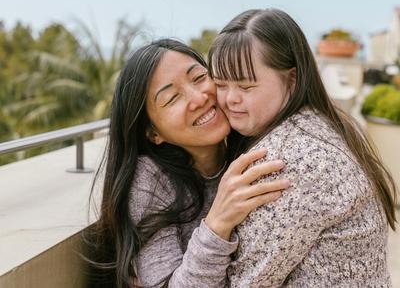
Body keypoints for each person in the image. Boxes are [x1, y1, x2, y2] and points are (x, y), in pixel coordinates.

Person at [208, 8, 398, 287]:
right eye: (220, 84)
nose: (230, 99)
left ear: (292, 80)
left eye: (246, 87)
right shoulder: (321, 123)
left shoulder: (287, 162)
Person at [87, 38, 290, 288]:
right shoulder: (149, 181)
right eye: (172, 98)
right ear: (153, 133)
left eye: (199, 78)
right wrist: (217, 224)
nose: (200, 97)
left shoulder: (257, 145)